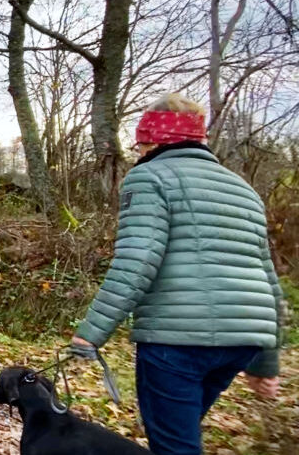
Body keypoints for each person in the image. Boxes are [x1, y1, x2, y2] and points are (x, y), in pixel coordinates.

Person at [69, 93, 282, 455]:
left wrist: (91, 334)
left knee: (174, 447)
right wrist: (266, 361)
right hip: (243, 341)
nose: (137, 152)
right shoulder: (244, 189)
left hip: (178, 338)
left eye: (140, 144)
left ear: (152, 140)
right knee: (180, 437)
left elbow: (136, 260)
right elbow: (267, 278)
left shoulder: (150, 177)